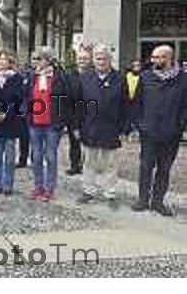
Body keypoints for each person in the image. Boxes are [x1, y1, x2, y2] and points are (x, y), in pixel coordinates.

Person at [131, 44, 187, 216]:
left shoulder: (183, 79)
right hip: (149, 131)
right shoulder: (146, 76)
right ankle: (142, 199)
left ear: (169, 58)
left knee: (164, 168)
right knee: (146, 166)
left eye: (158, 57)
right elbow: (137, 102)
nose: (154, 60)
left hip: (171, 133)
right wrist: (138, 125)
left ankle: (158, 202)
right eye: (153, 57)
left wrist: (181, 125)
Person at [75, 44, 128, 207]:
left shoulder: (120, 78)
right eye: (98, 58)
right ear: (94, 60)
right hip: (89, 126)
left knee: (110, 163)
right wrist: (76, 126)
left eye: (104, 58)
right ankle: (88, 191)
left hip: (111, 127)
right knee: (89, 161)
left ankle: (109, 192)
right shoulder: (85, 77)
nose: (101, 61)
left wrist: (124, 129)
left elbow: (125, 104)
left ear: (110, 59)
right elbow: (78, 104)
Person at [23, 46, 70, 202]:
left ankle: (50, 188)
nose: (36, 62)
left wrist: (63, 121)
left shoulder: (60, 76)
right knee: (36, 156)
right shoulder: (31, 76)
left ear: (48, 60)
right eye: (35, 58)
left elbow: (66, 100)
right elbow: (26, 96)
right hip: (34, 122)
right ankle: (38, 186)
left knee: (50, 156)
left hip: (52, 123)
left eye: (39, 59)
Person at [0, 50, 24, 196]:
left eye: (4, 59)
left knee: (9, 157)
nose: (1, 62)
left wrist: (6, 113)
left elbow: (18, 101)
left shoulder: (17, 79)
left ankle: (8, 184)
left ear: (10, 62)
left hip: (11, 122)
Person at [65, 46, 93, 176]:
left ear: (90, 60)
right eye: (80, 58)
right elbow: (65, 97)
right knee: (74, 142)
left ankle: (88, 166)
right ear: (76, 60)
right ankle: (75, 165)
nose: (82, 60)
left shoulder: (94, 75)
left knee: (89, 143)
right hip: (73, 114)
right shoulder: (70, 75)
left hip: (91, 113)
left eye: (85, 58)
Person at [125, 58, 142, 138]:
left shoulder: (143, 76)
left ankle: (136, 131)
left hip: (138, 101)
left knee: (137, 117)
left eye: (138, 65)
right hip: (128, 101)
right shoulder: (127, 75)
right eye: (134, 66)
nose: (136, 67)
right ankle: (128, 131)